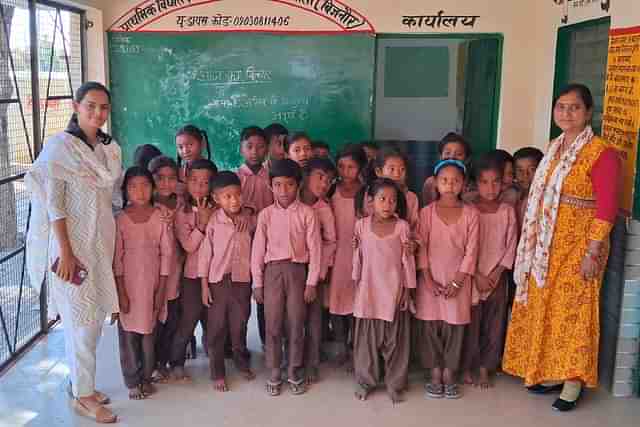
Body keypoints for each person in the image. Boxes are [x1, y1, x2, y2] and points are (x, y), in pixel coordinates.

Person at [503, 84, 621, 412]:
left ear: (588, 113)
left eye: (574, 108)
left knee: (575, 313)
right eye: (561, 107)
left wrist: (592, 251)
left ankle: (573, 381)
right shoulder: (555, 148)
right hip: (547, 247)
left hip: (581, 246)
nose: (566, 113)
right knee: (548, 308)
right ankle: (550, 371)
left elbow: (607, 207)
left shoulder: (601, 153)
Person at [25, 81, 121, 423]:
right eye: (91, 106)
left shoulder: (108, 151)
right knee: (80, 323)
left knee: (94, 321)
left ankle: (84, 385)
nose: (98, 113)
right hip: (72, 248)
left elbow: (111, 198)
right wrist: (65, 252)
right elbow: (55, 206)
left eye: (104, 107)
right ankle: (83, 396)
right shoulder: (59, 149)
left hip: (99, 246)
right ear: (76, 107)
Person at [251, 159, 322, 396]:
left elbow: (316, 250)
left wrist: (312, 282)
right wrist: (258, 283)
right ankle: (273, 369)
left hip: (298, 272)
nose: (283, 190)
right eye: (278, 185)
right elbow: (257, 251)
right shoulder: (265, 215)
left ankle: (293, 368)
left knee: (295, 322)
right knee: (272, 323)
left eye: (289, 185)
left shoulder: (308, 214)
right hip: (272, 272)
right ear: (270, 186)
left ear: (298, 185)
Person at [416, 159, 479, 400]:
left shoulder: (471, 214)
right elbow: (421, 248)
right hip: (430, 281)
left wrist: (458, 281)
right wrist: (428, 278)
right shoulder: (426, 213)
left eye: (455, 181)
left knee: (455, 328)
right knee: (431, 327)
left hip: (458, 282)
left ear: (463, 184)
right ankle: (434, 372)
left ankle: (449, 373)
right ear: (436, 183)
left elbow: (471, 251)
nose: (450, 185)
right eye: (444, 180)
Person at [352, 178, 416, 403]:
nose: (387, 204)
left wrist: (408, 290)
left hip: (393, 292)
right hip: (368, 291)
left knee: (395, 342)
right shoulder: (361, 225)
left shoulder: (402, 227)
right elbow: (357, 258)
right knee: (367, 342)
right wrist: (356, 282)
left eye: (392, 200)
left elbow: (407, 261)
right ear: (371, 201)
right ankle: (365, 381)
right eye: (382, 199)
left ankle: (395, 383)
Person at [114, 166, 172, 400]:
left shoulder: (160, 216)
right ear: (125, 190)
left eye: (145, 186)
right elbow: (116, 258)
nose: (139, 191)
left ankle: (146, 377)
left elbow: (167, 253)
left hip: (152, 285)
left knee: (149, 334)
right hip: (128, 286)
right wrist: (120, 292)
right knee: (128, 336)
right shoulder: (120, 220)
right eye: (133, 187)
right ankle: (132, 380)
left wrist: (161, 288)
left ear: (153, 188)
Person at [461, 156, 517, 388]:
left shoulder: (507, 211)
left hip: (497, 277)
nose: (490, 188)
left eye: (495, 182)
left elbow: (511, 244)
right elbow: (464, 246)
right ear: (475, 184)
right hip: (473, 276)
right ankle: (467, 365)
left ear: (503, 184)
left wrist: (497, 273)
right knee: (471, 324)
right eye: (484, 182)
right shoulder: (468, 210)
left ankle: (486, 367)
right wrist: (476, 274)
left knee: (494, 324)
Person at [199, 171, 256, 392]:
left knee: (240, 324)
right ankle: (217, 372)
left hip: (242, 281)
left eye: (237, 195)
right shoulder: (214, 223)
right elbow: (205, 255)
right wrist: (204, 285)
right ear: (216, 199)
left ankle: (242, 362)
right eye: (227, 196)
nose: (234, 200)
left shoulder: (249, 220)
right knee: (216, 328)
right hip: (218, 282)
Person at [169, 159, 218, 381]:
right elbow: (188, 245)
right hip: (192, 276)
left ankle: (215, 359)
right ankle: (177, 361)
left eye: (205, 182)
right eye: (194, 181)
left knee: (213, 320)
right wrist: (202, 224)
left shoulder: (220, 209)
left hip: (216, 275)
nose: (199, 186)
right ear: (186, 182)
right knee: (188, 319)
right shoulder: (183, 212)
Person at [328, 144, 368, 370]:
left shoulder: (368, 192)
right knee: (336, 301)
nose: (345, 172)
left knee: (356, 302)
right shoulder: (331, 190)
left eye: (351, 167)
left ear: (361, 167)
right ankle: (341, 345)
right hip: (337, 254)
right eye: (341, 166)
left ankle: (355, 348)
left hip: (360, 254)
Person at [299, 158, 338, 384]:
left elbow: (331, 242)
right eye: (320, 177)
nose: (324, 184)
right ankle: (293, 358)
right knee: (292, 318)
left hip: (314, 270)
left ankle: (312, 363)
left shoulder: (324, 209)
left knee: (313, 319)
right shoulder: (289, 199)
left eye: (329, 181)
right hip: (291, 268)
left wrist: (321, 272)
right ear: (306, 176)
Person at [148, 156, 184, 382]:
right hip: (154, 271)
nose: (166, 183)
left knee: (171, 317)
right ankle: (150, 364)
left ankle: (165, 360)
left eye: (172, 178)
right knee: (154, 318)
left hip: (177, 269)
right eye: (160, 178)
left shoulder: (181, 203)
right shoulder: (147, 206)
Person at [236, 126, 273, 347]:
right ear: (241, 149)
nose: (255, 151)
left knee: (264, 296)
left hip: (268, 244)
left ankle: (267, 342)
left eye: (260, 147)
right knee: (240, 298)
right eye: (249, 146)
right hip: (241, 243)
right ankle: (237, 346)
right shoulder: (235, 177)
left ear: (267, 149)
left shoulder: (272, 177)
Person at [422, 132, 473, 206]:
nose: (452, 157)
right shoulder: (430, 183)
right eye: (447, 153)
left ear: (467, 159)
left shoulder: (473, 187)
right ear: (440, 156)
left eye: (459, 154)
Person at [513, 147, 544, 229]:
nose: (525, 175)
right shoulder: (511, 195)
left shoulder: (543, 201)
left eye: (532, 169)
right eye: (520, 170)